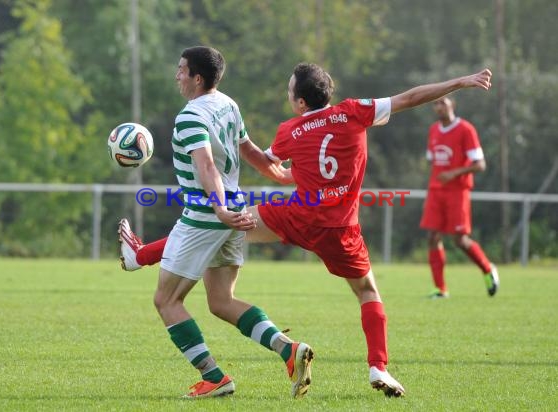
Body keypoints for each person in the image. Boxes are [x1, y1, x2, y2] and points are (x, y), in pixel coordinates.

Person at [119, 62, 493, 397]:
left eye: (288, 91)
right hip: (341, 228)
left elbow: (268, 163)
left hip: (297, 215)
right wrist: (460, 81)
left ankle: (142, 256)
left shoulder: (290, 131)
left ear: (300, 103)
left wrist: (273, 169)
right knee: (366, 291)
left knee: (227, 222)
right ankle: (378, 367)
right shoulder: (354, 112)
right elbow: (411, 97)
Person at [145, 46, 313, 400]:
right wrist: (279, 174)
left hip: (207, 216)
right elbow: (248, 149)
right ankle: (288, 349)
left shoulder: (191, 116)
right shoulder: (227, 104)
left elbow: (206, 165)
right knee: (221, 301)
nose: (176, 75)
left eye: (181, 70)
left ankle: (213, 377)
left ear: (197, 78)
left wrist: (219, 208)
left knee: (166, 300)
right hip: (234, 211)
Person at [420, 96, 500, 298]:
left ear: (452, 105)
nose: (439, 107)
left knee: (460, 240)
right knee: (432, 237)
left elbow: (480, 164)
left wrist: (453, 173)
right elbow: (433, 161)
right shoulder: (434, 130)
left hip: (458, 191)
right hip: (436, 191)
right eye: (435, 103)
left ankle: (488, 269)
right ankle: (440, 289)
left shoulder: (466, 129)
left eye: (443, 103)